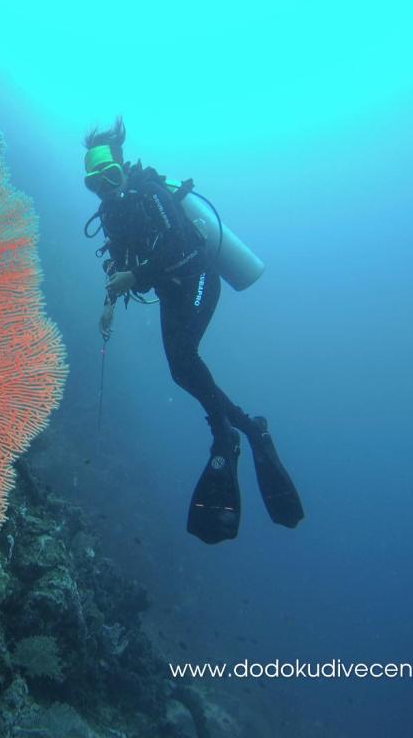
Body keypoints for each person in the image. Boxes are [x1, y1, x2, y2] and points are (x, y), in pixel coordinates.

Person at [82, 117, 303, 544]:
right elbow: (119, 261)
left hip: (198, 278)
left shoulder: (150, 192)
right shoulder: (111, 212)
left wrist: (136, 275)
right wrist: (109, 302)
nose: (106, 189)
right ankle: (247, 429)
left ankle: (225, 433)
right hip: (170, 291)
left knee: (184, 357)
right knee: (180, 370)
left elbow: (175, 245)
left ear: (123, 166)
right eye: (95, 184)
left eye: (110, 176)